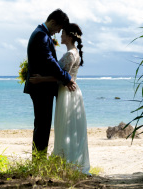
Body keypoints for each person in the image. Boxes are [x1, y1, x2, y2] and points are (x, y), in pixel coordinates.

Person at [29, 23, 90, 173]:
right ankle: (69, 161)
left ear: (69, 36)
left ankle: (67, 162)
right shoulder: (74, 52)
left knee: (66, 128)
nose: (60, 35)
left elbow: (62, 77)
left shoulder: (70, 54)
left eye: (62, 33)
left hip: (67, 93)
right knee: (70, 128)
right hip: (71, 92)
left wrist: (41, 79)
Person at [23, 9, 77, 157]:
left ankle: (39, 158)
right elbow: (49, 61)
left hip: (41, 87)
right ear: (53, 22)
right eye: (58, 28)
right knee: (42, 125)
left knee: (43, 125)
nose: (58, 32)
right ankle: (39, 159)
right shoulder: (41, 35)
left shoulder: (41, 33)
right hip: (41, 88)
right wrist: (66, 78)